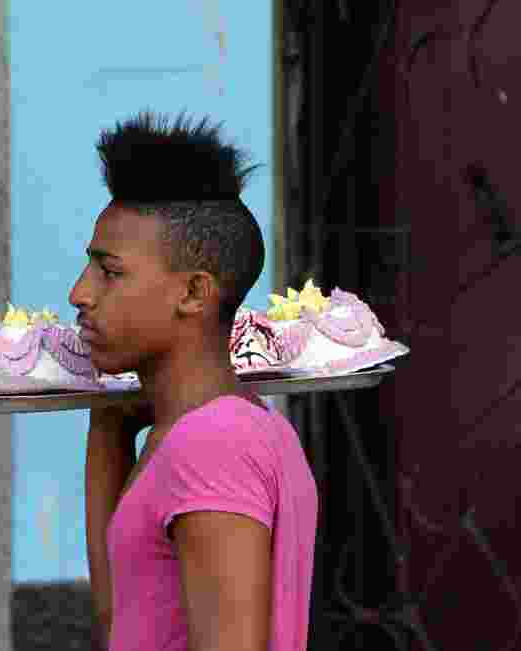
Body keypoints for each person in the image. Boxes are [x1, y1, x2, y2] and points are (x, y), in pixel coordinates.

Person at [69, 110, 319, 651]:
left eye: (109, 272)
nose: (80, 293)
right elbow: (124, 629)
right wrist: (108, 426)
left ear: (194, 293)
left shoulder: (214, 445)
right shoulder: (206, 433)